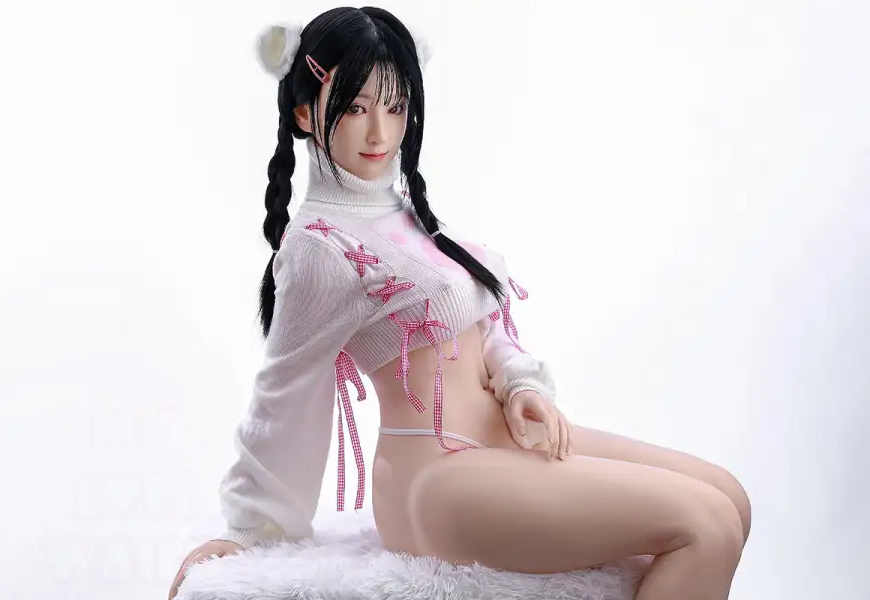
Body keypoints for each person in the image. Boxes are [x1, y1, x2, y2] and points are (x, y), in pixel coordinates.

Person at [169, 7, 752, 600]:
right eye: (355, 108)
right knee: (705, 524)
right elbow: (285, 393)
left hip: (502, 441)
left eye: (395, 107)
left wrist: (520, 387)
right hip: (437, 479)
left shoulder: (406, 216)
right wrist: (251, 529)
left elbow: (484, 323)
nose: (380, 134)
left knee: (728, 496)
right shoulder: (320, 245)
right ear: (303, 111)